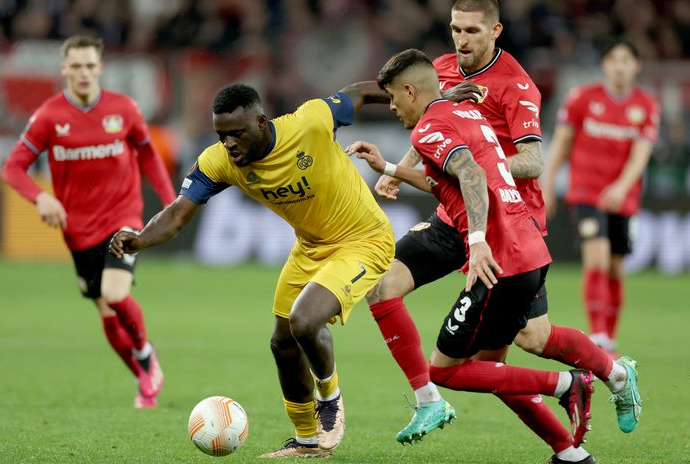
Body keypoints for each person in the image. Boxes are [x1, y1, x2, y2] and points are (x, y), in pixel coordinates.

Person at [363, 1, 641, 456]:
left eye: (471, 30)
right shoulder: (442, 70)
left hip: (507, 221)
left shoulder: (517, 84)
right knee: (382, 284)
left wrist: (481, 168)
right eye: (455, 29)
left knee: (524, 344)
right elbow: (431, 123)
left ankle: (611, 379)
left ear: (495, 30)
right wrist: (401, 166)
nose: (461, 40)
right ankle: (427, 399)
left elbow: (531, 162)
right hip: (454, 214)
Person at [109, 82, 397, 459]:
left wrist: (417, 97)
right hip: (311, 248)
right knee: (282, 342)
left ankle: (330, 401)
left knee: (305, 322)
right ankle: (307, 442)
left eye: (237, 133)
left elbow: (357, 93)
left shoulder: (309, 122)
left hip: (364, 240)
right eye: (222, 135)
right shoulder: (219, 161)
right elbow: (179, 213)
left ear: (261, 122)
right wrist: (140, 239)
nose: (229, 143)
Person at [2, 35, 175, 409]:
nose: (83, 73)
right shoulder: (49, 117)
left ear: (100, 68)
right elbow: (12, 168)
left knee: (116, 294)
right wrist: (41, 197)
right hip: (78, 230)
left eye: (89, 66)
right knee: (106, 310)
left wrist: (169, 204)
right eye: (75, 66)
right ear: (64, 69)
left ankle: (145, 354)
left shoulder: (124, 110)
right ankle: (144, 378)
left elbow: (148, 157)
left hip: (122, 217)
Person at [542, 38, 660, 357]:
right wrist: (548, 184)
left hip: (623, 196)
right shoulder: (582, 98)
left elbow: (641, 155)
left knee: (615, 267)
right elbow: (561, 144)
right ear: (605, 65)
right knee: (596, 258)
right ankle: (598, 335)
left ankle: (611, 332)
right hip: (585, 191)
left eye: (626, 60)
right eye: (613, 59)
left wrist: (621, 187)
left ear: (636, 66)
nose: (619, 66)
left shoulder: (646, 105)